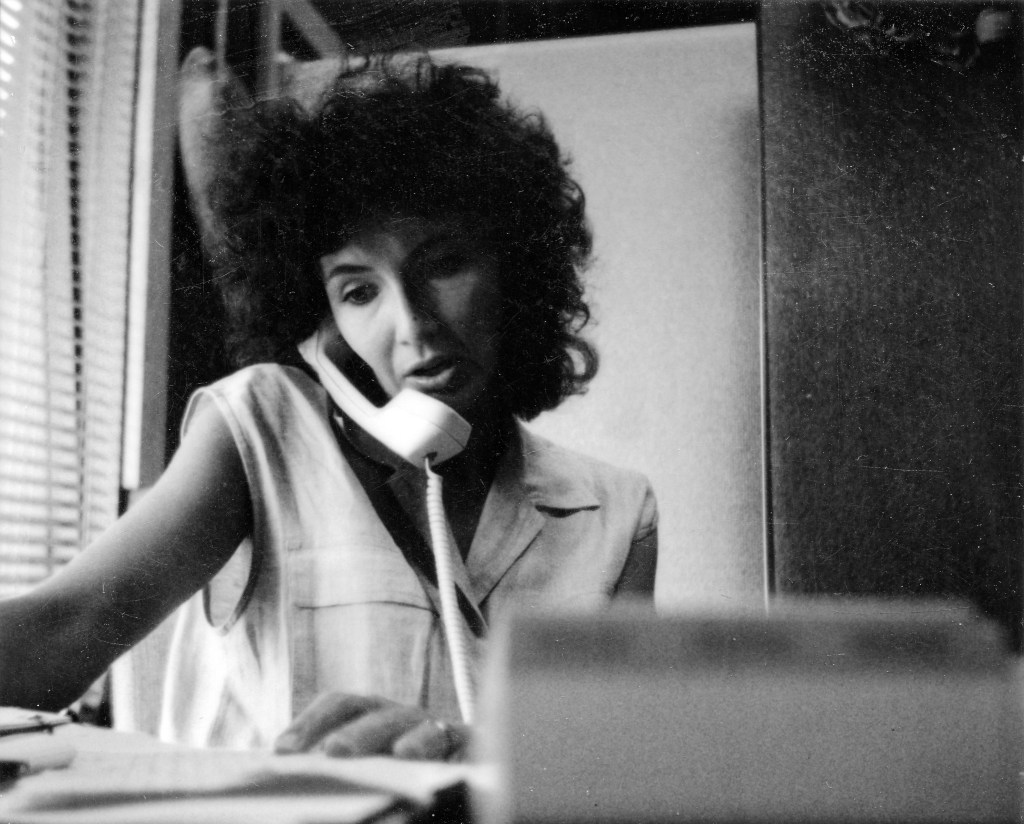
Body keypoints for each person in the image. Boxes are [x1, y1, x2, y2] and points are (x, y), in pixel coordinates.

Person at [0, 53, 658, 760]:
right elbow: (63, 630)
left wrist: (472, 750)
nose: (412, 327)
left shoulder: (618, 513)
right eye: (358, 291)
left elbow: (617, 762)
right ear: (321, 322)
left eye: (443, 265)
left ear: (516, 268)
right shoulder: (258, 429)